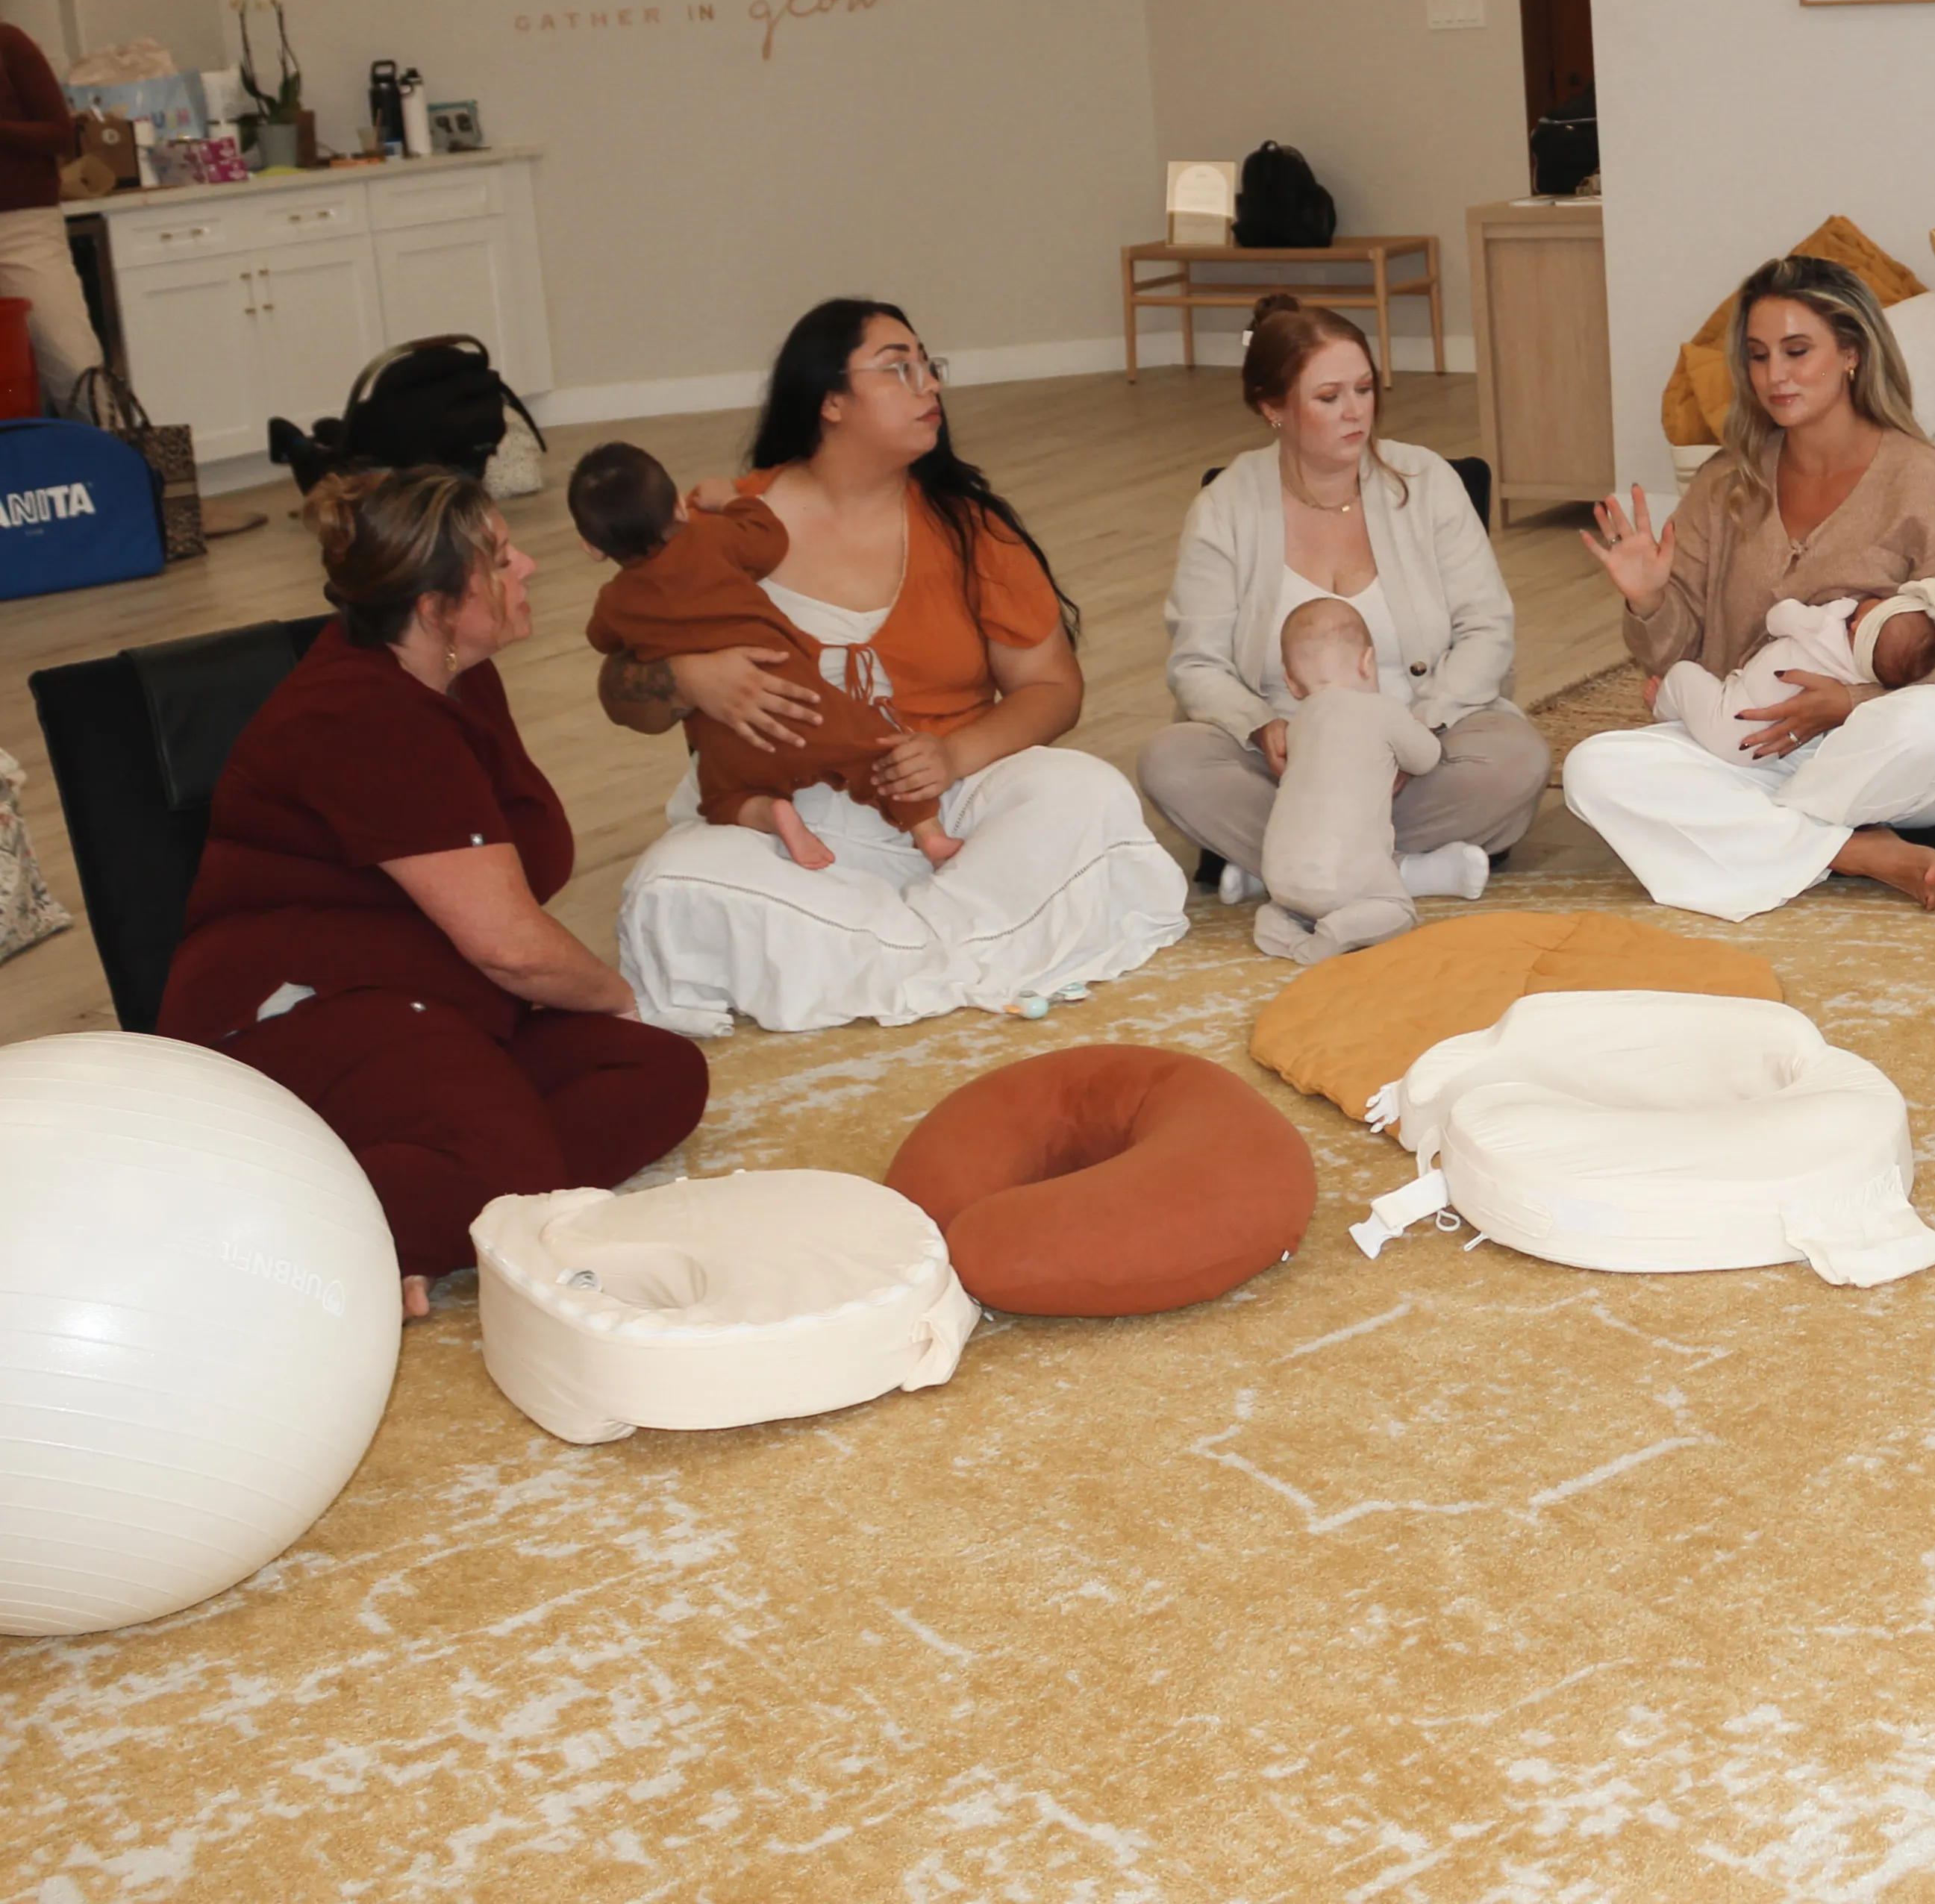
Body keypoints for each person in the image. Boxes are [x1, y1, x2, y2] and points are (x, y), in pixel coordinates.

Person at [163, 466, 707, 1320]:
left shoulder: (457, 671)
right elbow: (511, 947)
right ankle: (288, 1225)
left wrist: (617, 1023)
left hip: (435, 1002)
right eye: (498, 558)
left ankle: (400, 1211)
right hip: (309, 1013)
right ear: (434, 609)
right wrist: (620, 996)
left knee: (657, 1073)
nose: (526, 565)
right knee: (514, 1170)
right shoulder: (364, 718)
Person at [605, 298, 1184, 1036]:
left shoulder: (969, 526)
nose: (929, 386)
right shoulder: (724, 524)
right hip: (788, 820)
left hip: (949, 806)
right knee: (667, 887)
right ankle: (960, 946)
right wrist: (687, 681)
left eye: (928, 366)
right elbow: (621, 691)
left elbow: (1052, 688)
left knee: (1087, 793)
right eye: (898, 368)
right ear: (831, 402)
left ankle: (868, 951)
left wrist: (951, 755)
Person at [1564, 254, 1935, 919]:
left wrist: (1853, 701)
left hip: (1876, 754)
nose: (1775, 376)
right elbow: (1674, 657)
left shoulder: (1917, 478)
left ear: (1852, 353)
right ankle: (1848, 851)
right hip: (1749, 745)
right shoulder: (1725, 481)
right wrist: (1649, 597)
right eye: (1760, 356)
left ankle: (1758, 833)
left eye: (1798, 351)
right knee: (1591, 770)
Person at [1141, 294, 1547, 899]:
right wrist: (1261, 728)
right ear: (1273, 408)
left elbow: (1486, 630)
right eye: (1329, 398)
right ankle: (1402, 868)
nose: (1356, 413)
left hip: (1421, 741)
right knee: (1169, 762)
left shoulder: (1427, 481)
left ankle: (1288, 865)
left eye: (1364, 389)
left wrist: (1420, 729)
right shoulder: (1224, 507)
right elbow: (1198, 663)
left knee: (1518, 758)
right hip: (1289, 761)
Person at [570, 439, 963, 874]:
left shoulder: (615, 602)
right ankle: (929, 833)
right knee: (874, 749)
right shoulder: (710, 539)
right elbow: (768, 540)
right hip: (798, 699)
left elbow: (602, 639)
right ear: (679, 509)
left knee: (723, 799)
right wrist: (734, 501)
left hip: (727, 735)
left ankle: (772, 815)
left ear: (593, 547)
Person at [1255, 597, 1445, 967]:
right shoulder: (1384, 710)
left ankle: (1276, 926)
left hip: (1279, 874)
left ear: (1292, 684)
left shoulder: (1296, 724)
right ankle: (1337, 931)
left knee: (1288, 905)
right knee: (1397, 911)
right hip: (1344, 875)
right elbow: (1427, 758)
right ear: (1367, 663)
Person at [1652, 579, 1935, 765]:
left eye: (1881, 602)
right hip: (1772, 755)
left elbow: (1777, 618)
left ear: (1857, 624)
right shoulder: (1863, 679)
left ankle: (1664, 714)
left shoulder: (1825, 625)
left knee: (1682, 674)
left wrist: (1828, 609)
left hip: (1728, 716)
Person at [0, 19, 107, 413]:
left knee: (72, 359)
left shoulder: (8, 42)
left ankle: (109, 463)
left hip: (21, 227)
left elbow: (60, 134)